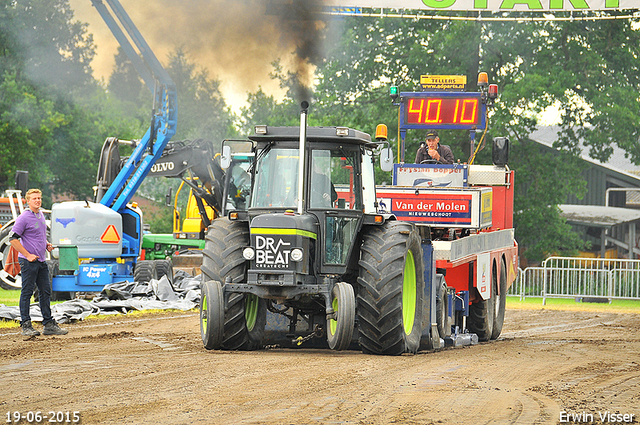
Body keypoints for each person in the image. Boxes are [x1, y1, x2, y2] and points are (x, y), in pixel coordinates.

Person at [10, 189, 68, 336]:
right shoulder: (24, 217)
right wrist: (28, 255)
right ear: (27, 201)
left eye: (39, 198)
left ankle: (48, 324)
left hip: (41, 260)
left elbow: (37, 235)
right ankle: (26, 325)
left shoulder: (40, 214)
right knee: (27, 292)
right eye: (34, 198)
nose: (37, 201)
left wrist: (46, 244)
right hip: (29, 262)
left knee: (45, 292)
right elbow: (13, 239)